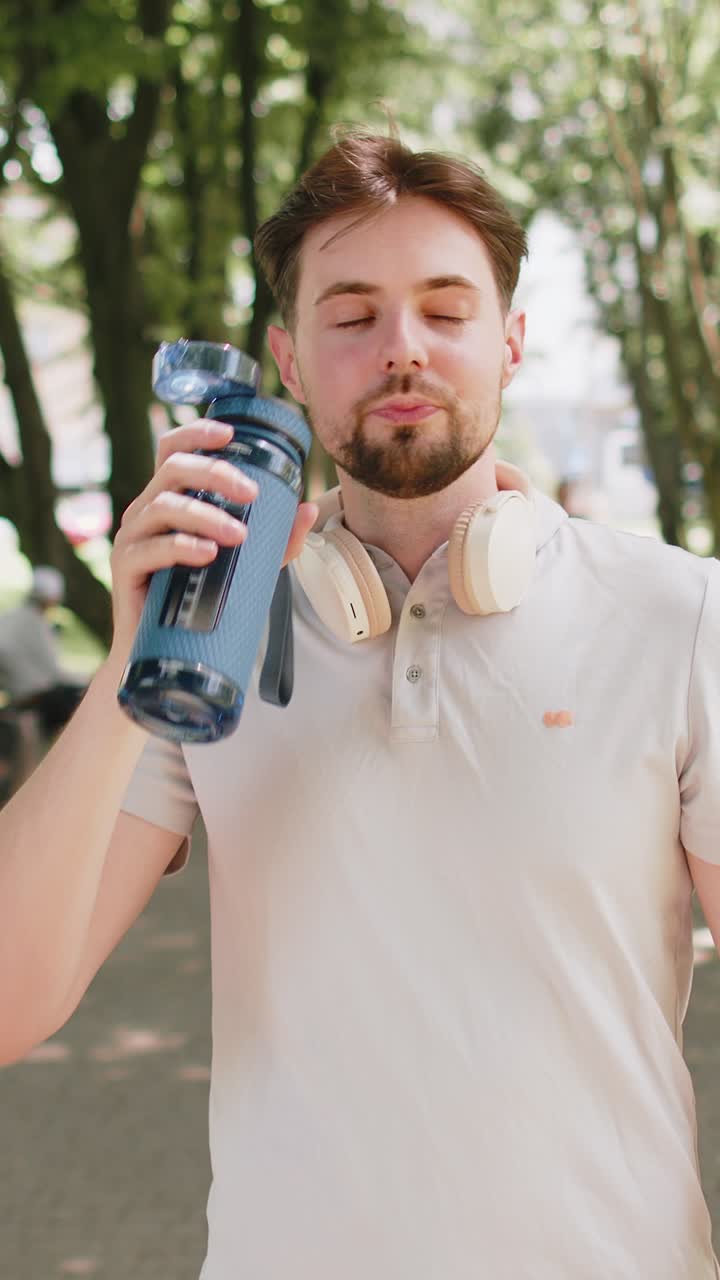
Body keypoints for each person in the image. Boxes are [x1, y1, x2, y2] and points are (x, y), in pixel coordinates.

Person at [0, 128, 719, 1279]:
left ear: (512, 341)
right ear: (287, 358)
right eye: (352, 316)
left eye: (446, 309)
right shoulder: (206, 653)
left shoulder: (679, 616)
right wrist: (128, 662)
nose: (402, 348)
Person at [0, 566, 83, 791]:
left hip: (20, 696)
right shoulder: (36, 623)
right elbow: (54, 672)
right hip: (39, 700)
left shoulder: (10, 618)